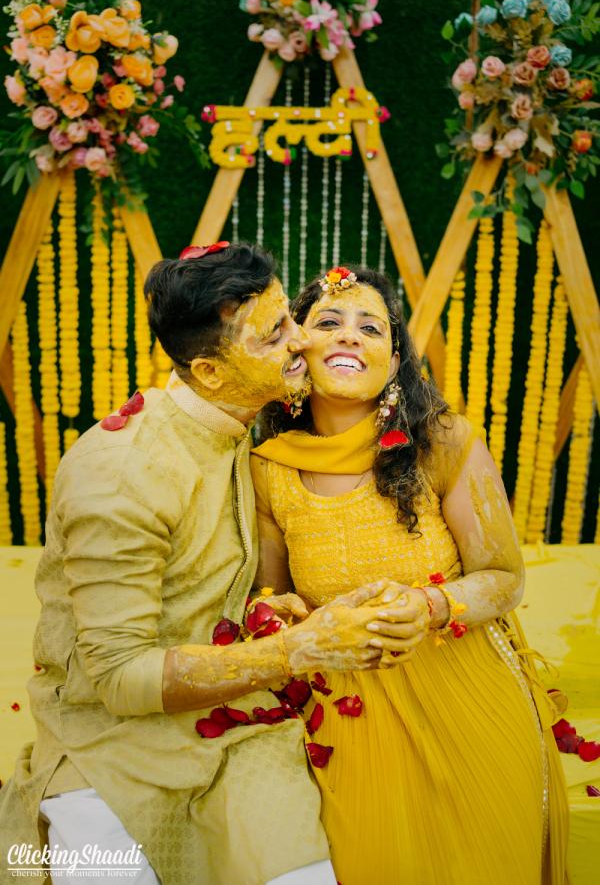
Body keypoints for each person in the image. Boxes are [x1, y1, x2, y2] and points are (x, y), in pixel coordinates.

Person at [0, 244, 402, 885]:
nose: (303, 339)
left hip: (239, 732)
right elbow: (120, 678)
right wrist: (299, 649)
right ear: (211, 372)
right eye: (275, 333)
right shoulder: (123, 472)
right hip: (109, 747)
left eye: (288, 317)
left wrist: (268, 610)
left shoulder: (243, 428)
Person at [250, 265, 570, 885]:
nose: (349, 335)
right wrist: (282, 613)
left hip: (465, 690)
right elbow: (272, 596)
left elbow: (504, 576)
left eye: (371, 328)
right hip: (344, 710)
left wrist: (427, 607)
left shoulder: (442, 441)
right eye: (329, 322)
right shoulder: (268, 468)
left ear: (394, 362)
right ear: (298, 349)